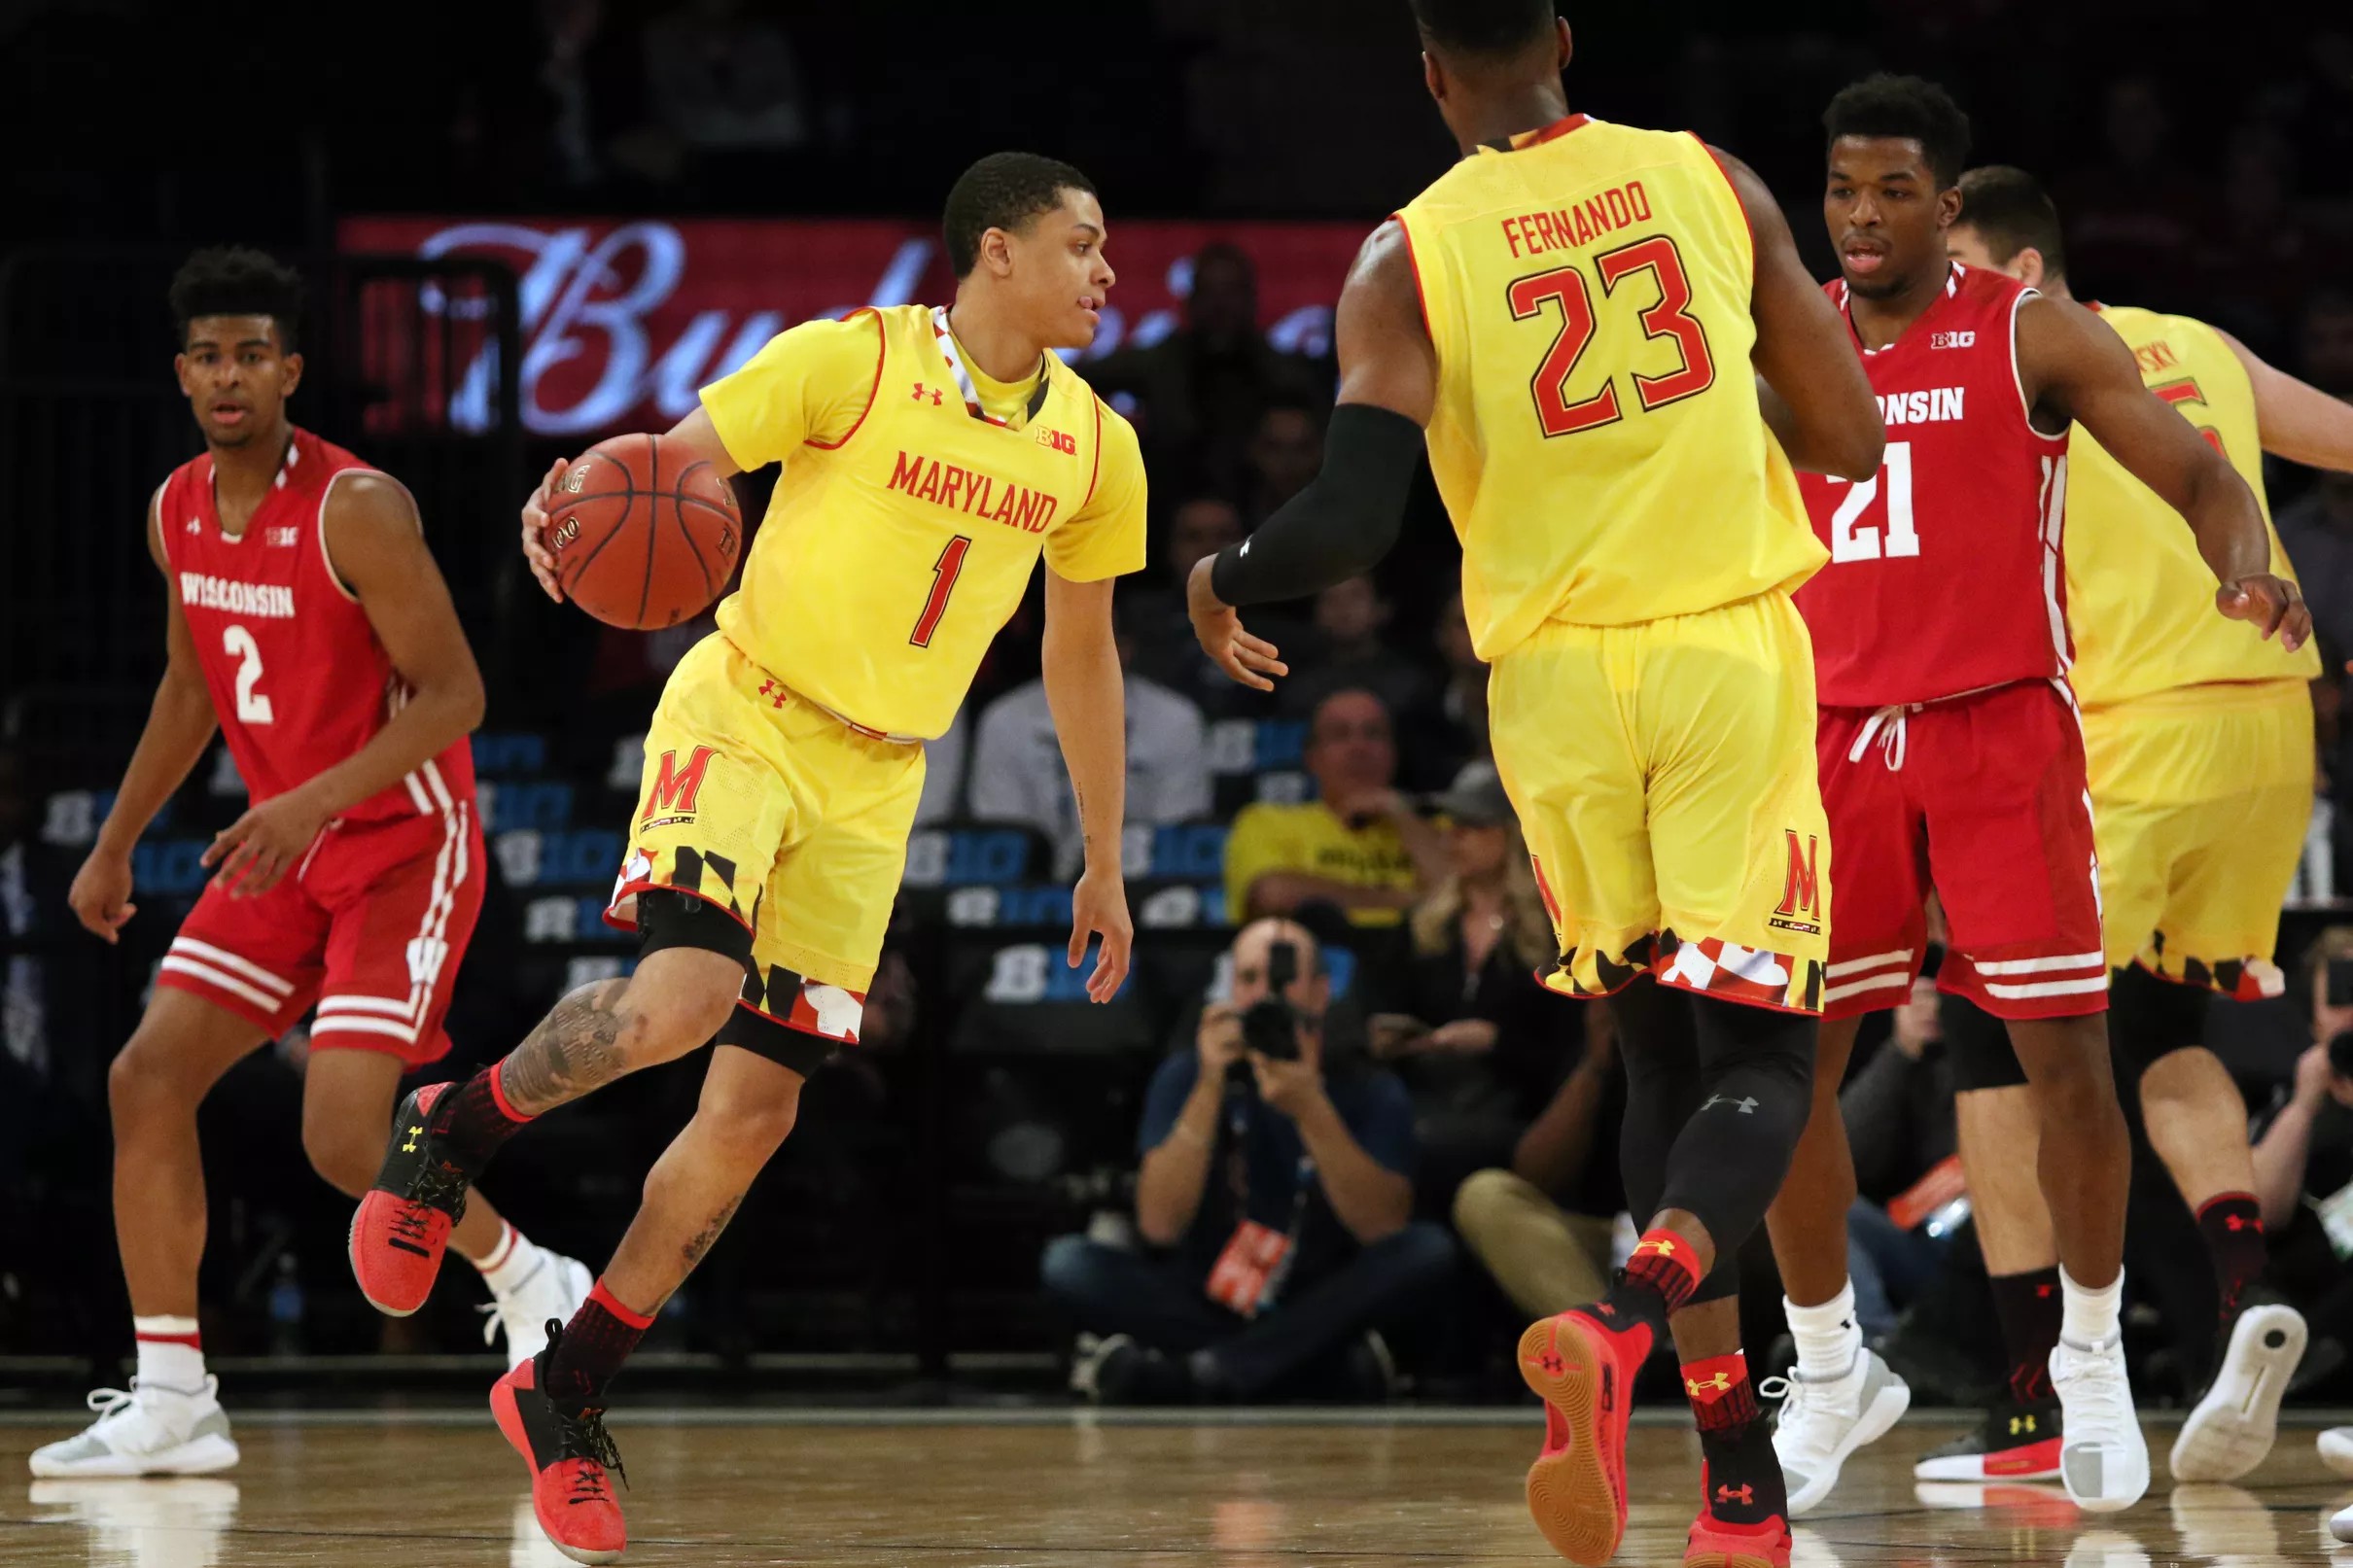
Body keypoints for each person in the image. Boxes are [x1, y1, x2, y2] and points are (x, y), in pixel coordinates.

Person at [347, 154, 1146, 1562]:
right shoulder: (851, 359)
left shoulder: (1097, 446)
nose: (1105, 270)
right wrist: (563, 515)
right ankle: (448, 1132)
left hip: (879, 779)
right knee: (683, 1000)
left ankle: (565, 1385)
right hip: (748, 712)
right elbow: (666, 475)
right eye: (1081, 244)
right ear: (997, 250)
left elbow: (1078, 653)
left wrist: (1102, 856)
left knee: (757, 1113)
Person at [1186, 2, 1886, 1560]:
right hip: (1720, 653)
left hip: (1555, 689)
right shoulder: (1707, 177)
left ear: (1432, 72)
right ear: (1563, 35)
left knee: (1649, 1052)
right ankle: (1627, 1324)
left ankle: (1736, 1478)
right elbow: (1847, 434)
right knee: (1765, 1058)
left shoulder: (1406, 255)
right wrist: (1716, 397)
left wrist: (1219, 575)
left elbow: (1353, 521)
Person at [1757, 79, 2305, 1520]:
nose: (1860, 214)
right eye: (1841, 188)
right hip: (1830, 738)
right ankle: (1830, 1368)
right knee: (1783, 1071)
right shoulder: (1781, 335)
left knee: (2066, 1061)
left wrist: (2242, 558)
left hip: (2002, 730)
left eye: (1892, 190)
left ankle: (2088, 1355)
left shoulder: (2030, 330)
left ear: (1947, 205)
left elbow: (2199, 472)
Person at [29, 250, 588, 1481]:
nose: (228, 375)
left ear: (290, 369)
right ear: (182, 374)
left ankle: (529, 1273)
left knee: (341, 1140)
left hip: (401, 845)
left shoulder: (357, 507)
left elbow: (457, 695)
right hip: (283, 844)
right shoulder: (175, 508)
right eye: (207, 356)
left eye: (251, 354)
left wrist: (304, 805)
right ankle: (173, 1396)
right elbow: (190, 686)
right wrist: (116, 841)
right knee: (145, 1076)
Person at [1942, 164, 2353, 1488]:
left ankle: (2030, 1408)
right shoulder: (2199, 343)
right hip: (2269, 724)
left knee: (1989, 1033)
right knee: (2165, 1019)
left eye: (1952, 274)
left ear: (2017, 272)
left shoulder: (2016, 365)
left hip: (2130, 732)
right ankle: (2245, 1291)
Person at [1042, 918, 1455, 1403]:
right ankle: (1307, 1370)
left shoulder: (1365, 1083)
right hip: (1208, 1294)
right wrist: (1209, 1086)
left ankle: (1199, 1374)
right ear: (1231, 989)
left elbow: (1383, 1227)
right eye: (1249, 978)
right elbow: (1159, 1225)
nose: (1265, 994)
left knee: (1428, 1251)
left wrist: (1310, 1107)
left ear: (1321, 992)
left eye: (1283, 978)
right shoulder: (1188, 1073)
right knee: (1070, 1264)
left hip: (1324, 1295)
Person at [1371, 762, 1582, 1207]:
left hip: (1516, 1109)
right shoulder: (1423, 927)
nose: (1453, 837)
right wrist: (1391, 1036)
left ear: (1513, 834)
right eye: (1451, 824)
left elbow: (1570, 1051)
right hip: (1424, 1098)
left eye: (1472, 825)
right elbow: (1379, 1005)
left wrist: (1496, 1042)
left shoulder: (1557, 934)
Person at [968, 609, 1212, 878]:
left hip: (1139, 886)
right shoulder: (1005, 720)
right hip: (1030, 890)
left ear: (1125, 649)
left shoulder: (1175, 721)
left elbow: (1174, 842)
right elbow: (1004, 842)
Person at [1222, 688, 1444, 929]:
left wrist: (1401, 814)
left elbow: (1459, 896)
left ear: (1394, 753)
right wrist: (1405, 901)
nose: (1359, 747)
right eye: (1340, 735)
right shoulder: (1266, 821)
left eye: (1373, 733)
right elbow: (1273, 896)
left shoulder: (1436, 829)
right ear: (1312, 757)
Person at [1281, 574, 1437, 725]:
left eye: (1355, 596)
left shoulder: (1411, 685)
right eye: (1330, 599)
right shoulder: (1301, 690)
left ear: (1382, 609)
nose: (1343, 608)